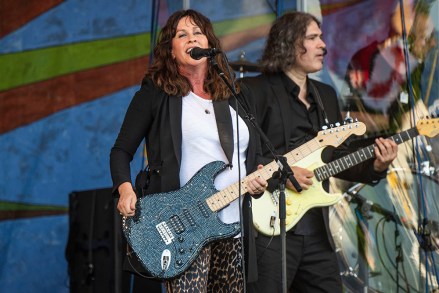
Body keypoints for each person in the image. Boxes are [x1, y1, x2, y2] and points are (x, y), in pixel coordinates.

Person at [109, 9, 267, 293]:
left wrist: (258, 180)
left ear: (209, 44)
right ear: (170, 51)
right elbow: (120, 151)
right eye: (182, 35)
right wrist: (124, 188)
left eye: (197, 32)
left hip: (232, 226)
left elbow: (250, 157)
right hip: (185, 227)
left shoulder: (236, 96)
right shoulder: (156, 94)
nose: (191, 38)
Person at [239, 11, 398, 293]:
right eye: (313, 38)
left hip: (315, 228)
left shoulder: (325, 95)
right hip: (269, 227)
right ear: (288, 44)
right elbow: (241, 156)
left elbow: (339, 158)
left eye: (321, 37)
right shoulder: (254, 90)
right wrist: (281, 176)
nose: (323, 45)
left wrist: (376, 164)